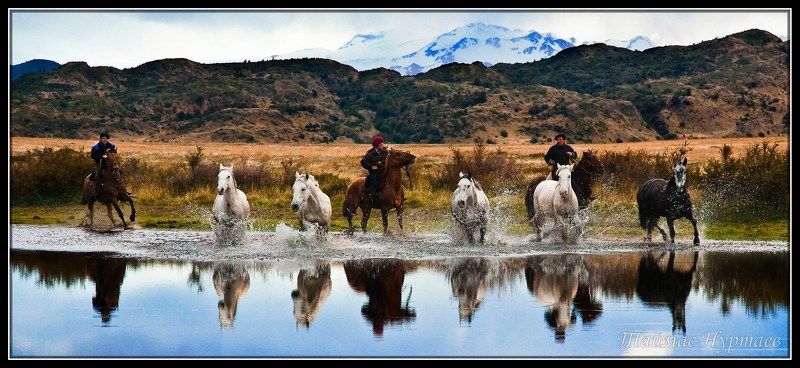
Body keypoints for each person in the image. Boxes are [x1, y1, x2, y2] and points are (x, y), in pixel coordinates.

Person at [360, 135, 388, 202]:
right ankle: (372, 197)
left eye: (382, 142)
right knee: (374, 181)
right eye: (380, 143)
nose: (382, 144)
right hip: (374, 172)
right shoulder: (370, 153)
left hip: (384, 171)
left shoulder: (385, 151)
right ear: (376, 145)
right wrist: (371, 167)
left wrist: (383, 163)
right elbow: (363, 162)